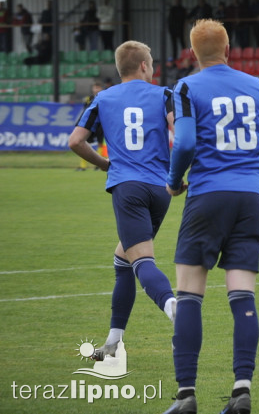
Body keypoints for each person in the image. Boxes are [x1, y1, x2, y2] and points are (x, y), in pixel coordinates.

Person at [162, 19, 259, 414]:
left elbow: (183, 141)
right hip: (251, 196)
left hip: (208, 195)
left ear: (193, 52)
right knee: (242, 294)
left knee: (188, 295)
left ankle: (186, 396)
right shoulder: (257, 86)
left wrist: (174, 179)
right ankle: (241, 389)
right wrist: (246, 154)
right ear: (229, 48)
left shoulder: (186, 86)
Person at [68, 40, 177, 361]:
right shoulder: (164, 94)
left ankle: (176, 308)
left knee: (141, 260)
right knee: (122, 260)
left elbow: (75, 141)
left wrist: (105, 165)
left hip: (128, 188)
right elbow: (180, 130)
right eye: (152, 62)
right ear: (144, 65)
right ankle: (113, 344)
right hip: (161, 189)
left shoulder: (103, 98)